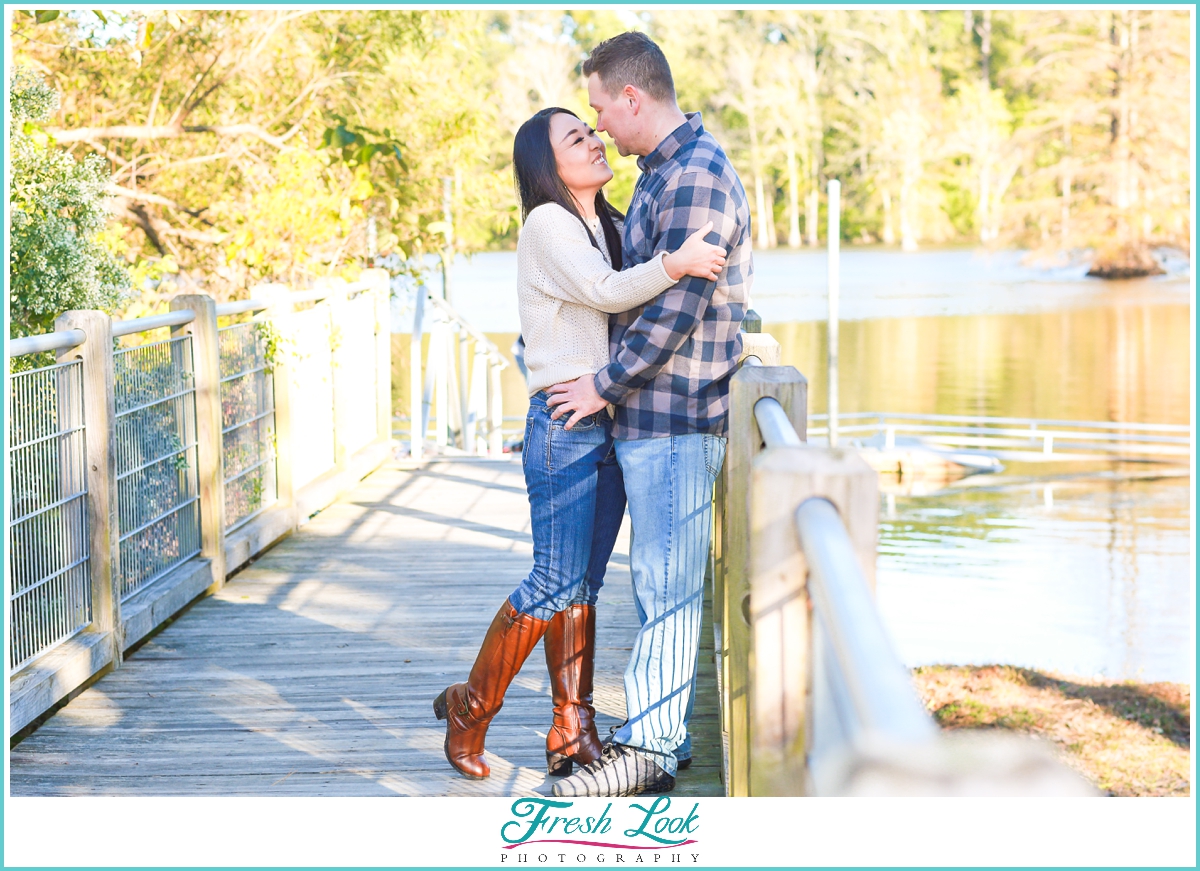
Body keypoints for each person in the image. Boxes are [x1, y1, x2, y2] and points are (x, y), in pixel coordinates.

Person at [433, 106, 727, 781]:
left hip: (610, 421)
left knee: (583, 586)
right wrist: (677, 264)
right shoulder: (548, 224)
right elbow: (606, 290)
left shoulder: (608, 221)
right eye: (576, 136)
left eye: (592, 131)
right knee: (553, 579)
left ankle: (572, 729)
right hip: (564, 424)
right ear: (547, 163)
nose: (594, 140)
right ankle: (470, 707)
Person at [546, 31, 752, 797]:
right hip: (650, 417)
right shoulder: (663, 173)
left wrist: (603, 383)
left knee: (667, 586)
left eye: (601, 109)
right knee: (657, 582)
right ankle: (661, 729)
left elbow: (674, 310)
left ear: (633, 98)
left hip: (674, 413)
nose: (599, 125)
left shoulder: (696, 176)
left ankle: (653, 748)